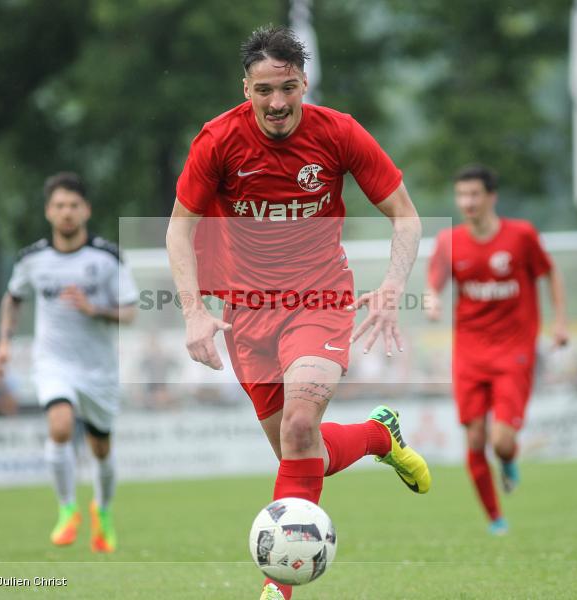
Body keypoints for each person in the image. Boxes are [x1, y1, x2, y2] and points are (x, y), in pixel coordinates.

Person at [166, 26, 431, 600]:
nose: (277, 102)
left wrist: (392, 285)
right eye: (264, 90)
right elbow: (178, 230)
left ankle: (277, 587)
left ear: (304, 83)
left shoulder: (338, 133)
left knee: (300, 426)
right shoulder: (218, 140)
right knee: (300, 451)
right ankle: (378, 436)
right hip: (246, 314)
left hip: (320, 300)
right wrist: (193, 312)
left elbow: (405, 216)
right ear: (246, 89)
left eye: (287, 87)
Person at [0, 172, 138, 553]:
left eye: (73, 205)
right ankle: (67, 509)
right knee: (59, 425)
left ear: (86, 210)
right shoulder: (32, 259)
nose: (67, 212)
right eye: (59, 206)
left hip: (99, 369)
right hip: (52, 362)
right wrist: (4, 344)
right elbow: (13, 298)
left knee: (101, 448)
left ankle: (101, 510)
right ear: (48, 211)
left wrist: (95, 309)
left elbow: (130, 312)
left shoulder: (106, 257)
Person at [426, 164, 568, 535]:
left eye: (474, 194)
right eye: (462, 195)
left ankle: (508, 459)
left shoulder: (521, 236)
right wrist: (431, 300)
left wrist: (560, 322)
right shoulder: (449, 241)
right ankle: (495, 518)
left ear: (492, 197)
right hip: (469, 353)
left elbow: (550, 273)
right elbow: (434, 281)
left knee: (501, 441)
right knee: (474, 438)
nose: (467, 202)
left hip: (514, 351)